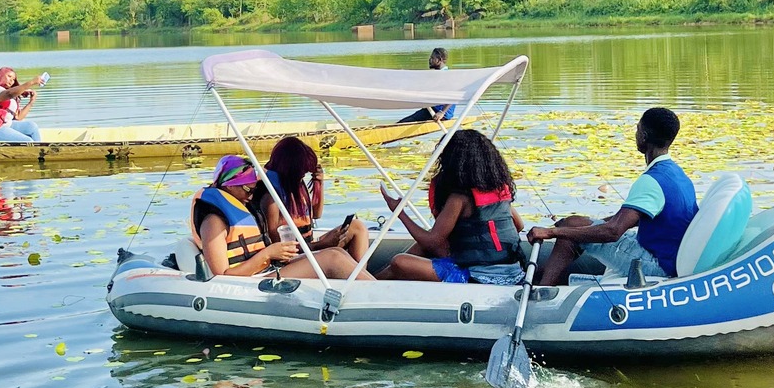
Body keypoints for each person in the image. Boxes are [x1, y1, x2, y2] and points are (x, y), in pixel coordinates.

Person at [527, 105, 697, 286]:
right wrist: (588, 223)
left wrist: (551, 232)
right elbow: (642, 218)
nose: (636, 134)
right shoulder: (676, 173)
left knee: (568, 229)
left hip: (659, 264)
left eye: (637, 129)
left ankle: (542, 291)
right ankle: (548, 280)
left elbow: (613, 232)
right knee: (573, 224)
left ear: (644, 136)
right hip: (670, 255)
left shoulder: (651, 180)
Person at [377, 127, 525, 284]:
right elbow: (519, 226)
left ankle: (368, 282)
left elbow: (432, 241)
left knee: (400, 262)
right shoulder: (500, 190)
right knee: (421, 247)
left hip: (476, 276)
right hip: (514, 271)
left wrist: (399, 212)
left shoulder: (459, 199)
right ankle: (371, 280)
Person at [259, 135, 371, 277]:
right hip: (290, 258)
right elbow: (280, 249)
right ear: (291, 170)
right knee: (336, 255)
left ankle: (362, 277)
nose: (303, 176)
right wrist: (321, 245)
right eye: (302, 173)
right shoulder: (271, 198)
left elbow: (316, 215)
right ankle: (362, 281)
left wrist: (319, 183)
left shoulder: (295, 184)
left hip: (307, 246)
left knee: (357, 227)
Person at [192, 155, 301, 279]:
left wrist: (279, 255)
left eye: (253, 191)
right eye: (248, 190)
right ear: (230, 185)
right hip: (252, 281)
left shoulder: (245, 209)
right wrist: (268, 254)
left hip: (268, 271)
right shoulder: (213, 223)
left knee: (328, 254)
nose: (250, 197)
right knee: (328, 260)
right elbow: (222, 276)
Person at [0, 66, 45, 143]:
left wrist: (31, 102)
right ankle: (33, 152)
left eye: (13, 79)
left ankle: (39, 152)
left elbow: (18, 118)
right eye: (9, 76)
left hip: (5, 126)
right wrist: (31, 82)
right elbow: (9, 94)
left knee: (32, 126)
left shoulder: (11, 99)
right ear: (0, 76)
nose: (11, 81)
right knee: (27, 141)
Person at [400, 46, 456, 124]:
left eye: (432, 58)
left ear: (439, 60)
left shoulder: (447, 76)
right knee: (403, 122)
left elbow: (454, 96)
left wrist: (442, 112)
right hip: (432, 110)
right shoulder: (436, 75)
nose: (429, 60)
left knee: (402, 124)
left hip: (439, 113)